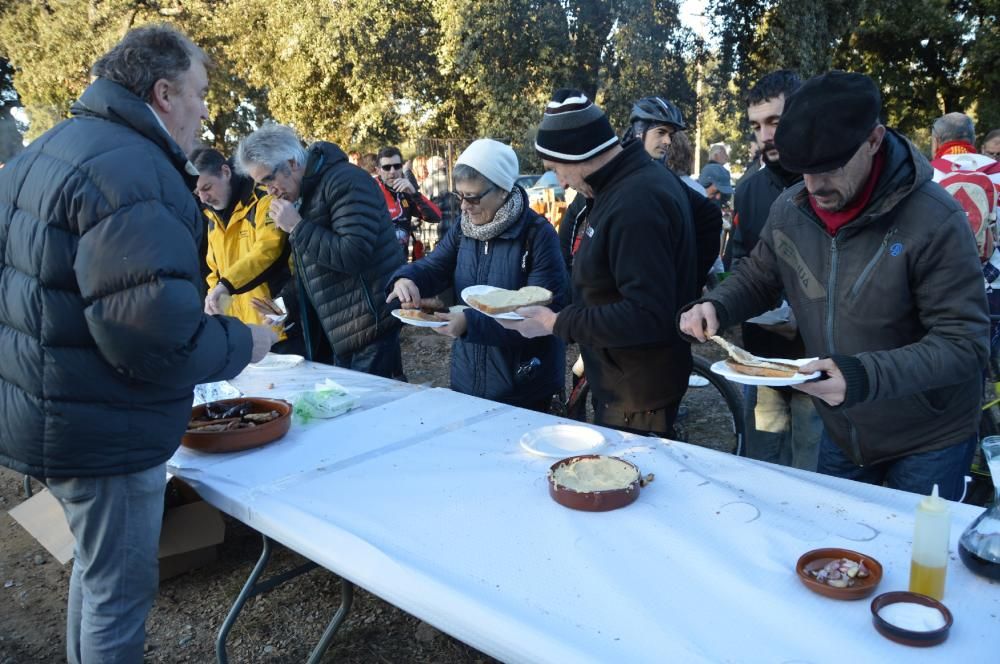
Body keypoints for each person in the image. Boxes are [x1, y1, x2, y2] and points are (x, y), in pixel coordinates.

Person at [0, 25, 275, 663]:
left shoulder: (48, 150)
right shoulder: (134, 171)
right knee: (116, 594)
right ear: (163, 93)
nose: (207, 109)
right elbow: (155, 336)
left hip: (51, 408)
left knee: (96, 579)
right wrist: (244, 341)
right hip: (103, 427)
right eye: (200, 93)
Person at [679, 71, 989, 500]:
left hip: (928, 437)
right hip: (844, 428)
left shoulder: (936, 219)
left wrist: (861, 375)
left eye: (831, 167)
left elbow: (965, 344)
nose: (816, 185)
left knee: (909, 561)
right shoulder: (792, 208)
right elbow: (760, 274)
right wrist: (718, 304)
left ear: (874, 139)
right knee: (835, 550)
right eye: (803, 169)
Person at [505, 89, 697, 438]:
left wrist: (556, 323)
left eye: (556, 169)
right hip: (625, 379)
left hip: (638, 394)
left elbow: (647, 314)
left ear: (578, 153)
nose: (560, 182)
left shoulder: (635, 200)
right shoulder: (625, 183)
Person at [387, 139, 567, 410]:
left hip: (525, 388)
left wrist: (470, 324)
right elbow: (436, 266)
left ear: (503, 190)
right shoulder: (464, 227)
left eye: (472, 197)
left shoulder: (538, 235)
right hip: (468, 382)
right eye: (459, 196)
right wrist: (406, 278)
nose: (463, 206)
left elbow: (540, 316)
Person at [235, 123, 406, 377]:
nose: (270, 192)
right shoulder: (307, 192)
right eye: (262, 185)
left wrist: (297, 227)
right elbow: (313, 268)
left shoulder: (345, 181)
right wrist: (283, 304)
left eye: (269, 179)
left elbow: (353, 254)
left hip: (372, 324)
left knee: (375, 411)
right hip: (346, 328)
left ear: (292, 163)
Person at [725, 70, 823, 471]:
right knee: (761, 465)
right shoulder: (748, 189)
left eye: (775, 122)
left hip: (816, 362)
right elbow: (738, 262)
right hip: (761, 355)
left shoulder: (829, 184)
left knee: (811, 469)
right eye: (756, 125)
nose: (765, 136)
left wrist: (799, 318)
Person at [191, 147, 299, 351]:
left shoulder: (264, 200)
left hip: (277, 327)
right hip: (242, 334)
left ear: (225, 172)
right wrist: (215, 305)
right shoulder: (212, 218)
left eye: (207, 187)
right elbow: (215, 270)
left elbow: (267, 252)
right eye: (198, 193)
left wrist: (225, 286)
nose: (203, 198)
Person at [375, 146, 441, 260]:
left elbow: (436, 216)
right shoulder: (371, 190)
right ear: (378, 170)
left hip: (401, 262)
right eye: (386, 167)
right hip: (377, 267)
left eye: (397, 166)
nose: (392, 172)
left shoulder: (406, 190)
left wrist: (414, 193)